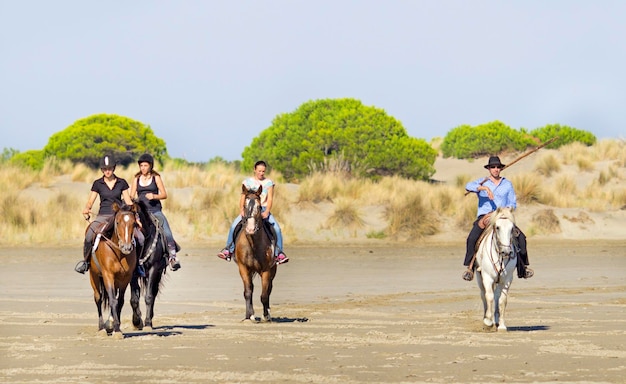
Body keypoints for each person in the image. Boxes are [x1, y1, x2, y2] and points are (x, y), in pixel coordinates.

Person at [462, 156, 533, 281]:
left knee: (521, 238)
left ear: (501, 169)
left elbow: (513, 203)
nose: (495, 169)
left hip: (503, 216)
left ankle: (523, 268)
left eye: (498, 167)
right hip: (486, 216)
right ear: (489, 169)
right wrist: (483, 188)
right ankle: (470, 267)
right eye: (493, 167)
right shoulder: (482, 182)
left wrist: (506, 210)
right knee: (472, 238)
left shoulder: (507, 184)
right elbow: (468, 186)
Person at [217, 160, 288, 264]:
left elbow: (270, 199)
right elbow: (242, 198)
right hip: (248, 209)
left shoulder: (268, 183)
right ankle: (229, 250)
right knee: (233, 226)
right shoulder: (247, 182)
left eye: (263, 171)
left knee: (277, 228)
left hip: (262, 208)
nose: (261, 173)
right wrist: (242, 210)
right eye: (259, 171)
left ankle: (279, 253)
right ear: (254, 170)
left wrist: (267, 211)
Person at [74, 155, 135, 274]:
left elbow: (128, 201)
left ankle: (137, 265)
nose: (107, 171)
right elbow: (90, 201)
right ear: (102, 170)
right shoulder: (98, 183)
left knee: (138, 237)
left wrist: (134, 214)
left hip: (119, 216)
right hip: (103, 216)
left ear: (114, 168)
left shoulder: (122, 183)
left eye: (110, 168)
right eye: (105, 169)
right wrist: (87, 208)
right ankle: (86, 262)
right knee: (89, 235)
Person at [130, 153, 181, 271]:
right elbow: (132, 195)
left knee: (166, 230)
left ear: (150, 166)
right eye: (141, 165)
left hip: (154, 210)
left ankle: (172, 257)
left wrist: (154, 196)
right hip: (141, 212)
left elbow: (164, 194)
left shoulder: (156, 177)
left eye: (145, 165)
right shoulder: (136, 178)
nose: (143, 168)